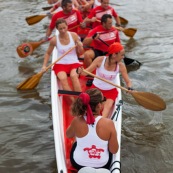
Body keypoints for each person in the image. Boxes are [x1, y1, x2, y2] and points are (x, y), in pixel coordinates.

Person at [66, 88, 119, 171]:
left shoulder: (77, 120)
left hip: (78, 164)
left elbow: (68, 135)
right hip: (103, 165)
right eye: (103, 100)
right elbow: (114, 150)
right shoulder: (109, 123)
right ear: (99, 105)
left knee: (75, 140)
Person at [77, 42, 132, 118]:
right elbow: (84, 73)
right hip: (95, 89)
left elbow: (128, 81)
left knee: (105, 111)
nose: (123, 57)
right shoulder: (99, 60)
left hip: (110, 91)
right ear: (114, 55)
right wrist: (79, 71)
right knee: (87, 108)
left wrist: (129, 87)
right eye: (122, 55)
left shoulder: (121, 66)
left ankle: (99, 125)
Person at [41, 18, 84, 94]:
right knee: (63, 79)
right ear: (57, 29)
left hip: (74, 62)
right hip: (60, 64)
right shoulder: (54, 40)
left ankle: (81, 99)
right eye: (60, 29)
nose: (63, 30)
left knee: (74, 76)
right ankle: (72, 102)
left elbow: (81, 53)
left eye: (64, 28)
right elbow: (48, 53)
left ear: (67, 26)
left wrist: (80, 46)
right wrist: (44, 66)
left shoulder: (74, 36)